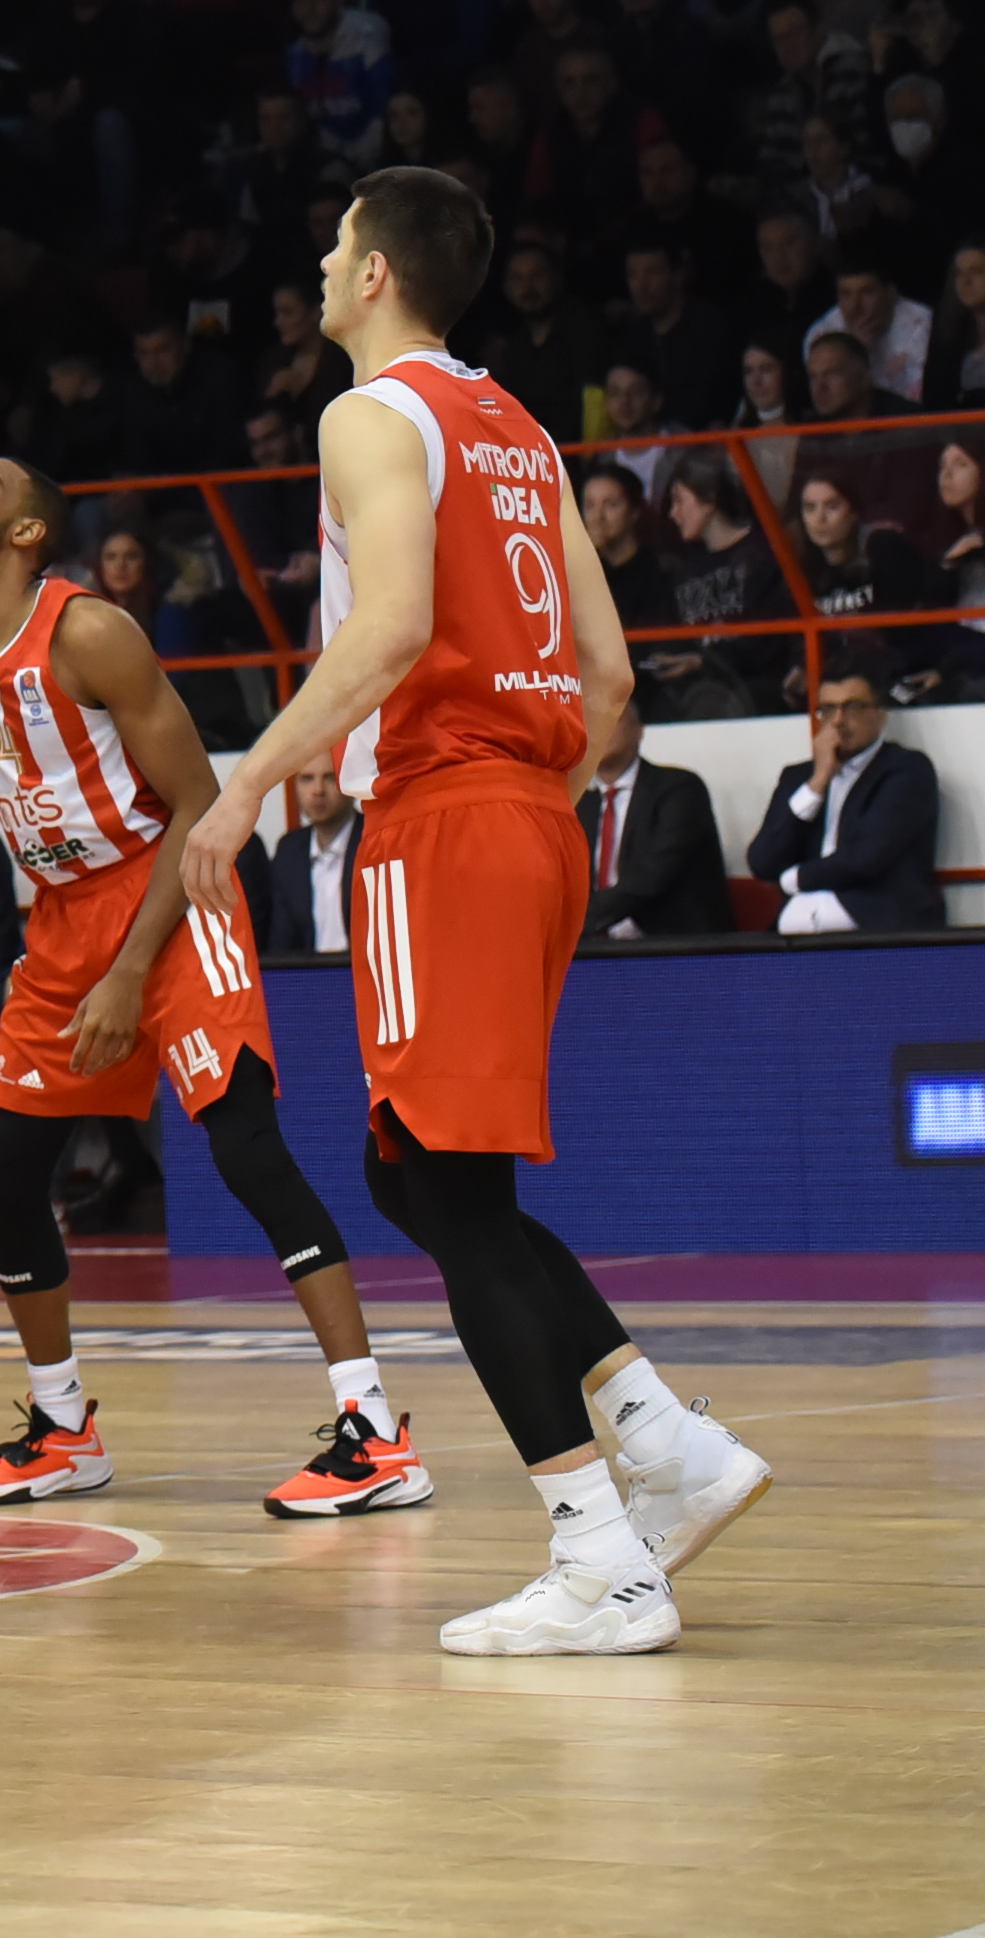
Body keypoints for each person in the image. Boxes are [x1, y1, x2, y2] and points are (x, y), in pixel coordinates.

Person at [179, 167, 771, 1656]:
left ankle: (603, 1558)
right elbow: (611, 678)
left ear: (377, 271)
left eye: (335, 244)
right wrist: (528, 806)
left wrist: (248, 784)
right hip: (535, 817)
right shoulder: (518, 425)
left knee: (438, 1190)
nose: (322, 265)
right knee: (428, 1184)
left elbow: (387, 629)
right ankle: (667, 1443)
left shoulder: (368, 414)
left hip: (441, 816)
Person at [0, 454, 428, 1518]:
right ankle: (63, 1429)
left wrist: (131, 971)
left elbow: (197, 800)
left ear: (28, 533)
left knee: (247, 1150)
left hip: (172, 891)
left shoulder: (91, 632)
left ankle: (376, 1432)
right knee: (7, 1180)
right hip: (62, 918)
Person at [746, 672, 945, 932]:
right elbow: (763, 862)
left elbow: (867, 858)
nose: (838, 720)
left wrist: (794, 879)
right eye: (828, 710)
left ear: (880, 715)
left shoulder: (906, 769)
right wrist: (817, 784)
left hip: (877, 929)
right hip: (795, 937)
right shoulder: (798, 777)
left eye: (852, 707)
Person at [577, 707, 727, 942]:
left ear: (639, 729)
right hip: (597, 944)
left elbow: (656, 871)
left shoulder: (679, 788)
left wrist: (580, 919)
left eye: (613, 717)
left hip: (676, 945)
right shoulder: (579, 804)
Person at [241, 755, 365, 961]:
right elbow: (281, 946)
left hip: (368, 970)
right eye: (307, 779)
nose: (318, 790)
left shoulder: (374, 840)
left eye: (330, 778)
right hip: (309, 974)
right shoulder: (290, 850)